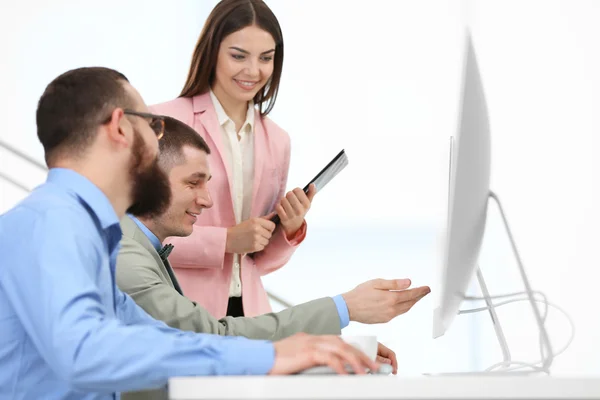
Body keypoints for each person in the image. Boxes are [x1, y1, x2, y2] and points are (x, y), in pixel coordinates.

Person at [0, 67, 380, 400]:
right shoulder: (53, 222)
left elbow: (165, 337)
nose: (157, 140)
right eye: (154, 126)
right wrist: (271, 355)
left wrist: (300, 348)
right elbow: (84, 352)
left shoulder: (86, 232)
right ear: (119, 128)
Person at [116, 117, 431, 399]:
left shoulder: (144, 246)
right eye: (193, 182)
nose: (207, 199)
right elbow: (211, 338)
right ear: (149, 181)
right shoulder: (128, 257)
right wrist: (343, 309)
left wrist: (333, 348)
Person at [150, 0, 311, 318]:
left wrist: (287, 231)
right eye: (238, 56)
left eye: (266, 58)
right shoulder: (164, 123)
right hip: (178, 309)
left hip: (248, 314)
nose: (253, 71)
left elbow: (258, 261)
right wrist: (226, 240)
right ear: (212, 52)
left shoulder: (277, 140)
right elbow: (138, 237)